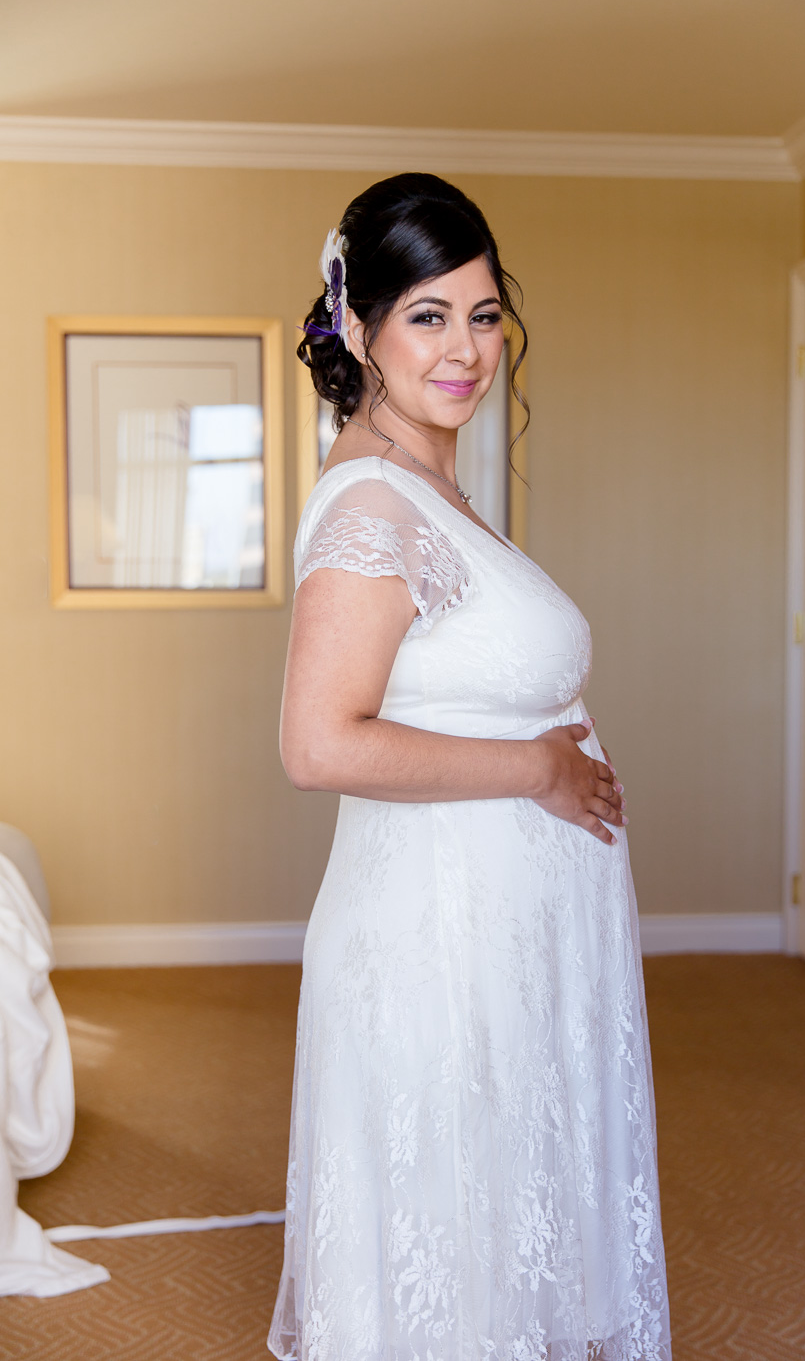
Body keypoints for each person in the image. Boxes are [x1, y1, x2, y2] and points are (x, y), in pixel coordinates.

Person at [269, 173, 670, 1361]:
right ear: (360, 331)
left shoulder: (427, 485)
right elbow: (317, 743)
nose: (463, 349)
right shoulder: (372, 504)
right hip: (437, 934)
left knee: (506, 1227)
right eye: (426, 316)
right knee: (452, 1239)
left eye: (483, 315)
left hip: (501, 926)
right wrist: (538, 771)